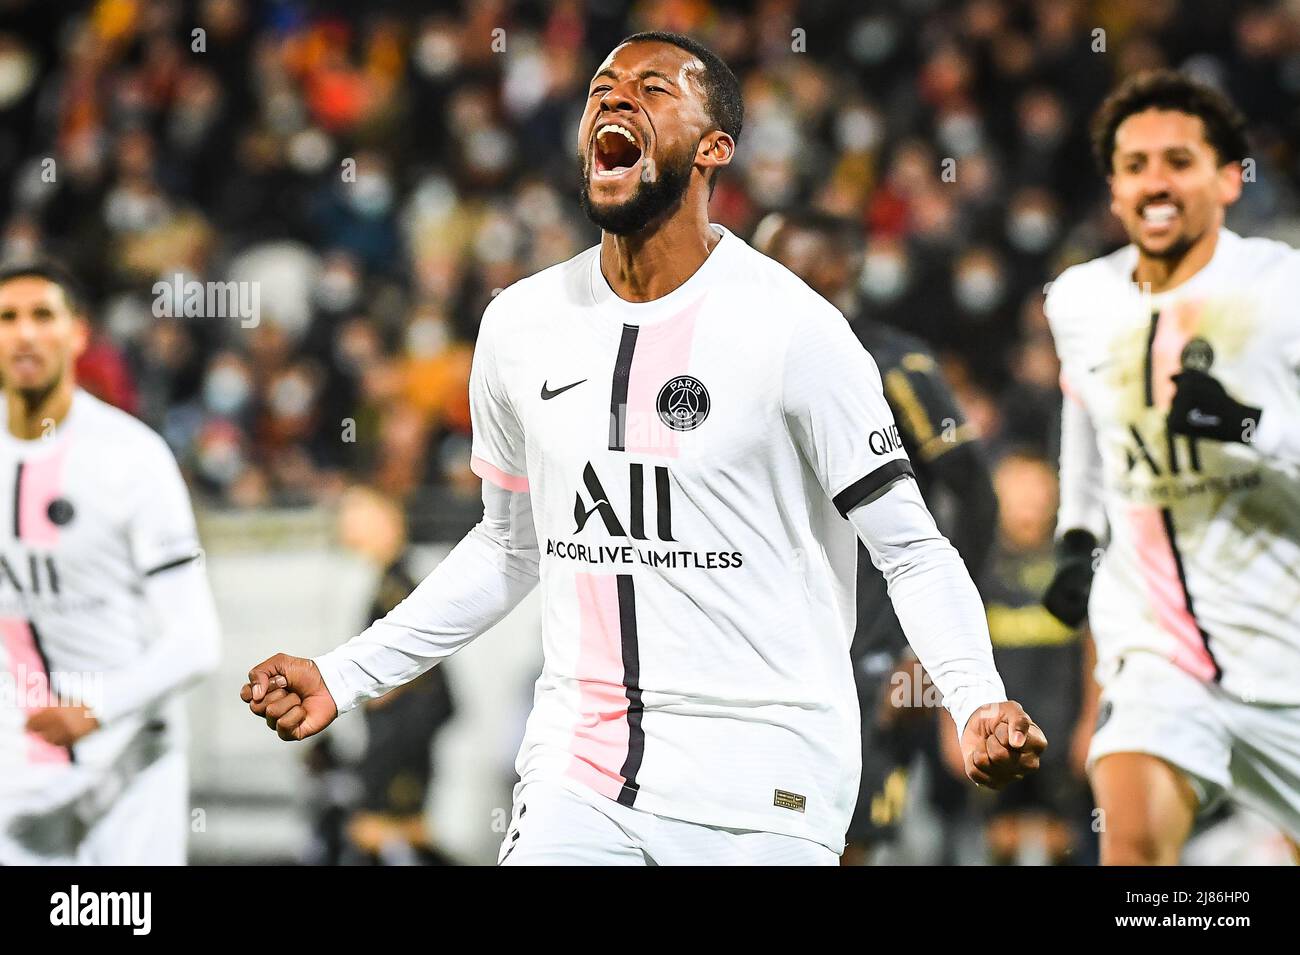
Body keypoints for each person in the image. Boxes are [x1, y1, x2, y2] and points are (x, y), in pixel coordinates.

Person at [242, 31, 1044, 866]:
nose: (616, 98)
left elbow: (912, 548)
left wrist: (975, 697)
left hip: (767, 784)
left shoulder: (796, 331)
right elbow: (511, 546)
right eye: (601, 87)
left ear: (713, 149)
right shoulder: (519, 325)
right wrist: (346, 672)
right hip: (580, 775)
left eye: (654, 89)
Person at [1041, 69, 1300, 864]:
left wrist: (1247, 424)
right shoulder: (1079, 299)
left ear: (1228, 178)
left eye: (1178, 160)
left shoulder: (1284, 287)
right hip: (1157, 647)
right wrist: (1077, 535)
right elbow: (1085, 420)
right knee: (1139, 851)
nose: (1155, 181)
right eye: (1135, 163)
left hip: (1286, 644)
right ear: (1114, 187)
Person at [756, 210, 998, 864]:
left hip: (870, 650)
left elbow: (976, 495)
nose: (769, 278)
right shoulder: (736, 363)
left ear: (842, 270)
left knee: (849, 840)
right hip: (766, 646)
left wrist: (926, 655)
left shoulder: (896, 364)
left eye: (791, 262)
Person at [0, 260, 221, 864]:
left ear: (77, 334)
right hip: (21, 763)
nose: (23, 334)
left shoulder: (132, 459)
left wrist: (94, 709)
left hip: (131, 755)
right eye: (7, 318)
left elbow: (196, 641)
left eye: (42, 316)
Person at [974, 451, 1095, 865]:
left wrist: (1092, 722)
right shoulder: (975, 566)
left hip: (1061, 729)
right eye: (1016, 492)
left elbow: (1096, 649)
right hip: (993, 733)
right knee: (999, 840)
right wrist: (949, 725)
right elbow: (948, 651)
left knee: (1063, 840)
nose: (1027, 504)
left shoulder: (1072, 569)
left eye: (1036, 492)